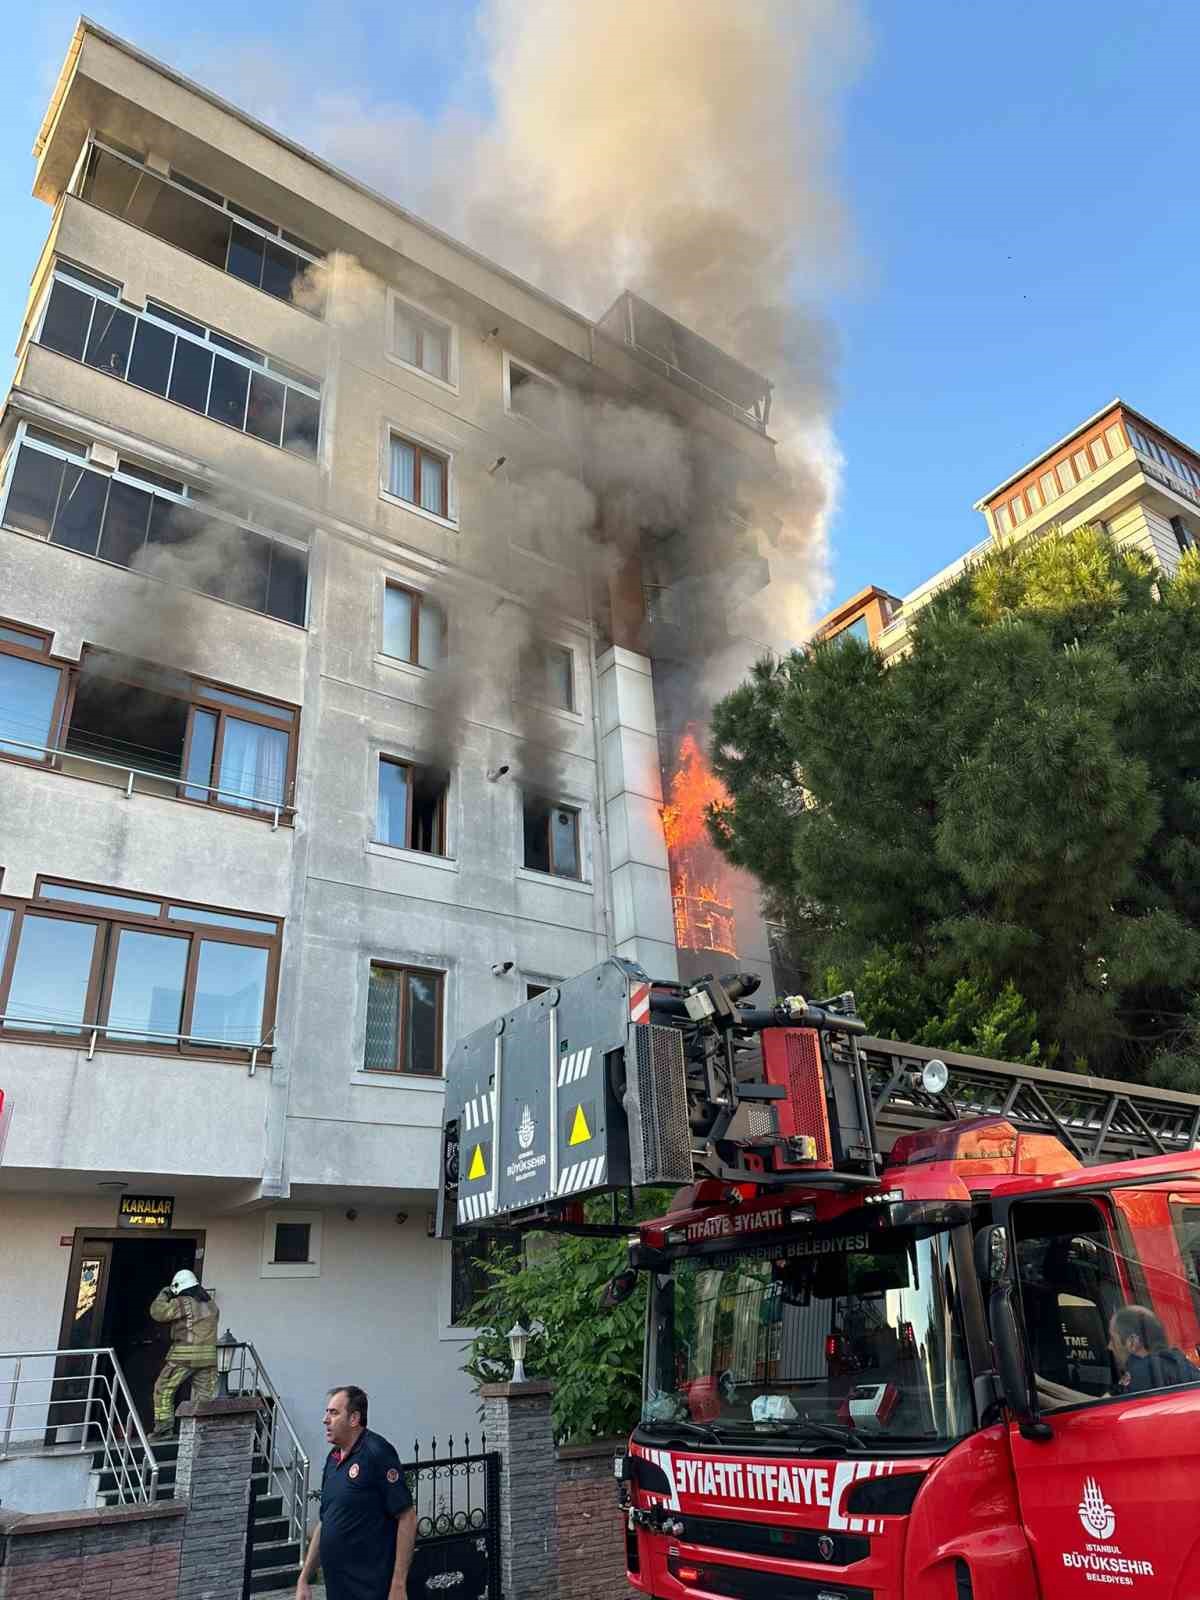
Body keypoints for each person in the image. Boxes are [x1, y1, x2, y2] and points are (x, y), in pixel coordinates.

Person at [297, 1385, 415, 1600]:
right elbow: (326, 1521)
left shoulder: (377, 1453)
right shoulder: (333, 1459)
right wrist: (304, 1578)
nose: (325, 1419)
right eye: (326, 1412)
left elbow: (407, 1516)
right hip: (338, 1589)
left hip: (372, 1589)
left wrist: (398, 1585)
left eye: (333, 1413)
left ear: (354, 1419)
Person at [148, 1269, 219, 1441]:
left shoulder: (184, 1302)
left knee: (163, 1388)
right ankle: (205, 1432)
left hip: (184, 1357)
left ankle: (164, 1429)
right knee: (205, 1397)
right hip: (208, 1358)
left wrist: (163, 1295)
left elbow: (158, 1313)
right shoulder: (211, 1305)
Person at [1108, 1305, 1200, 1395]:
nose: (1110, 1346)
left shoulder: (1141, 1376)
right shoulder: (1182, 1365)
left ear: (1132, 1342)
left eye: (1113, 1339)